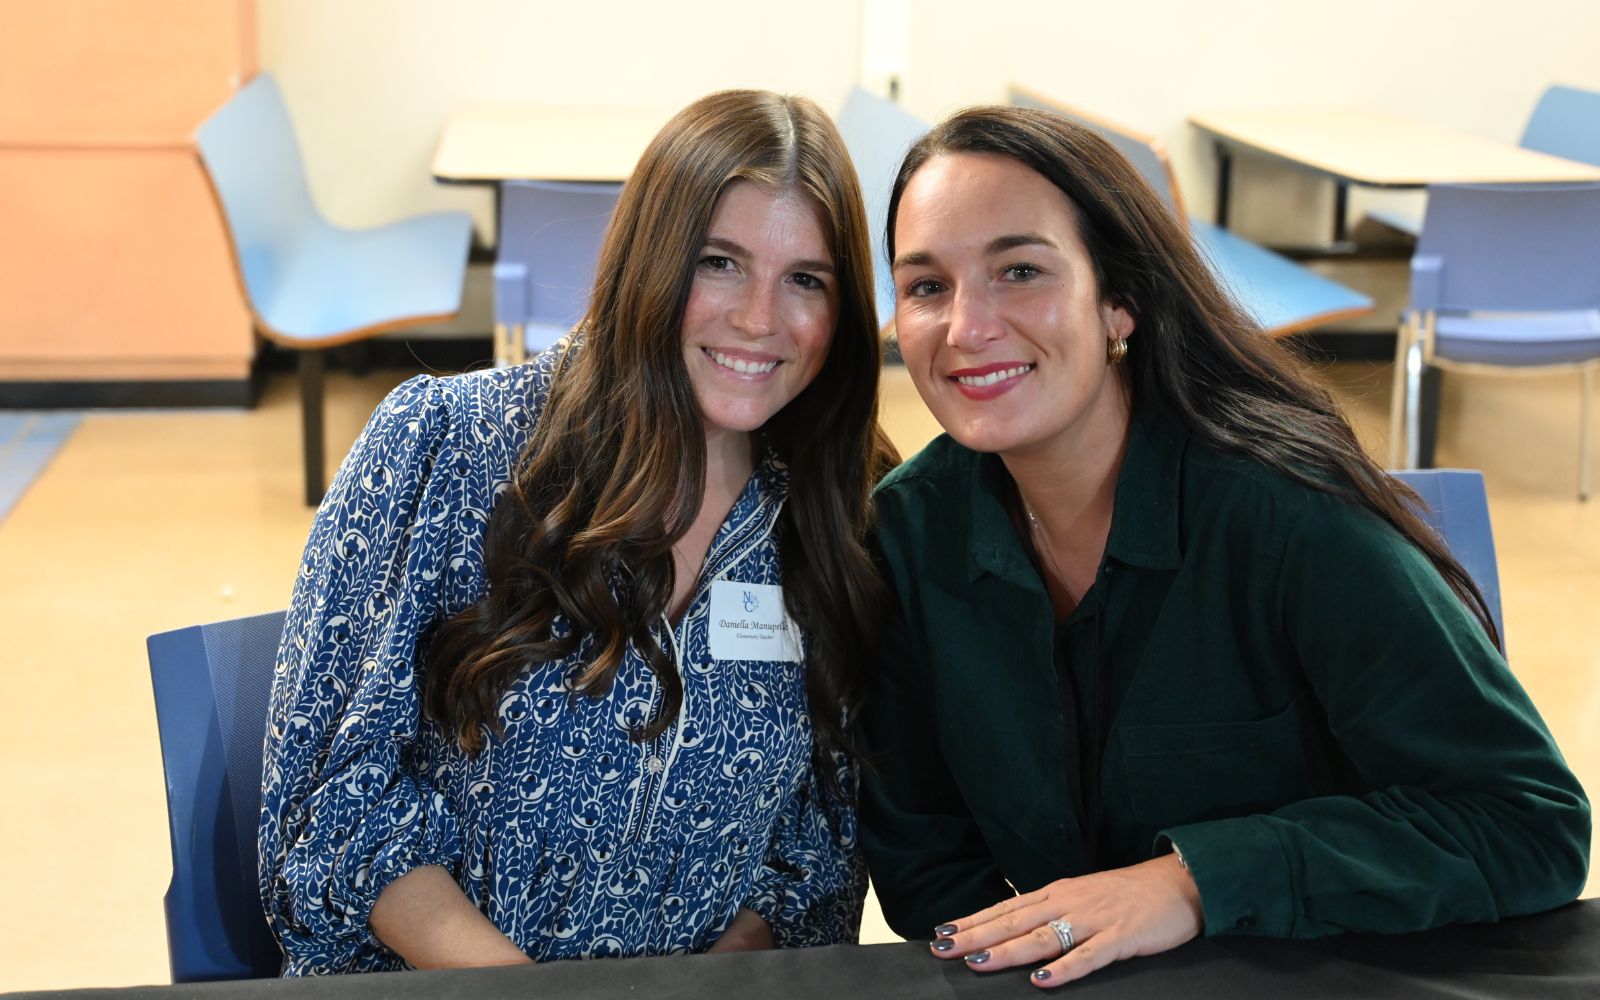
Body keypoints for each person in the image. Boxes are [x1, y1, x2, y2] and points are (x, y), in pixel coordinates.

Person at [857, 105, 1590, 989]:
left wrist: (1194, 881)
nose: (966, 327)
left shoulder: (1288, 516)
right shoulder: (907, 532)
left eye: (1020, 271)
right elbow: (924, 853)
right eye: (926, 286)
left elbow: (1527, 823)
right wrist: (1019, 961)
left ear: (1118, 300)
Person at [259, 89, 898, 975]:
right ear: (651, 262)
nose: (760, 318)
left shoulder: (835, 509)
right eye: (719, 262)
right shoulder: (448, 447)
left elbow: (816, 850)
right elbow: (337, 804)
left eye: (806, 280)